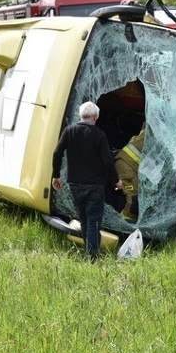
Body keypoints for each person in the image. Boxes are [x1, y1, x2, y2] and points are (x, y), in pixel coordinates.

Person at [51, 101, 123, 260]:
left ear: (80, 116)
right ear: (95, 117)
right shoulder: (99, 135)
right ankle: (92, 257)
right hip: (94, 186)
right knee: (93, 222)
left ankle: (91, 252)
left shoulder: (69, 131)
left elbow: (57, 153)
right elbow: (108, 161)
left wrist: (56, 176)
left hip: (75, 184)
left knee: (84, 220)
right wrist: (117, 181)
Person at [114, 124, 145, 221]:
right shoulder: (152, 135)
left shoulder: (147, 133)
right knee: (133, 195)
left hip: (128, 164)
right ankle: (123, 221)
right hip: (126, 166)